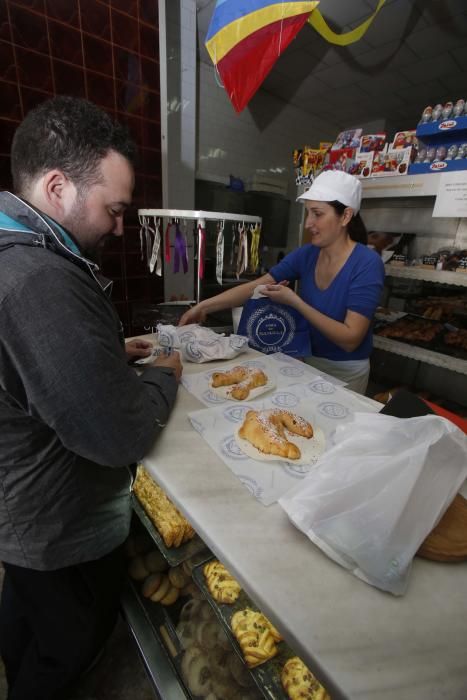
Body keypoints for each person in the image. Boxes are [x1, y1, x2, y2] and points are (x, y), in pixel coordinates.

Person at [0, 96, 182, 700]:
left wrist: (103, 352)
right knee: (68, 646)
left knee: (27, 623)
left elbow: (29, 369)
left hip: (20, 524)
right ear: (57, 188)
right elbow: (117, 434)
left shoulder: (18, 253)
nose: (119, 226)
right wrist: (166, 372)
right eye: (115, 208)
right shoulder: (38, 281)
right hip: (56, 529)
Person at [180, 170, 384, 393]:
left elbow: (350, 338)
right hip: (304, 361)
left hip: (346, 372)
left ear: (345, 216)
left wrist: (295, 302)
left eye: (317, 214)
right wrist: (203, 306)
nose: (308, 223)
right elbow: (255, 287)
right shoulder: (307, 254)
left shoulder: (367, 263)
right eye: (308, 213)